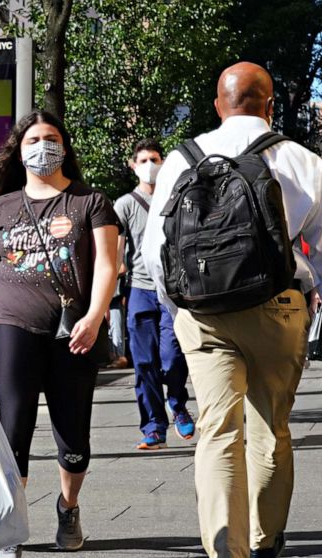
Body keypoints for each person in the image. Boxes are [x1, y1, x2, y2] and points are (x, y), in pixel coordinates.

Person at [142, 62, 322, 558]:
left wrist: (179, 309)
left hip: (203, 314)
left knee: (217, 431)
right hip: (277, 309)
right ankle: (265, 541)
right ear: (269, 105)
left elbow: (157, 252)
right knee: (270, 428)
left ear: (218, 105)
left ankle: (227, 549)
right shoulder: (302, 161)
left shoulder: (181, 160)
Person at [0, 110, 119, 557]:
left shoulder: (90, 202)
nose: (42, 146)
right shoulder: (0, 208)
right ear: (19, 150)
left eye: (50, 138)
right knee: (13, 426)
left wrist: (95, 317)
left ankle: (68, 505)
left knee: (73, 435)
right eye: (32, 139)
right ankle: (11, 525)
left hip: (73, 330)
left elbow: (108, 266)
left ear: (65, 146)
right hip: (10, 322)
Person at [114, 139, 194, 450]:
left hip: (172, 291)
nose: (150, 165)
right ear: (133, 165)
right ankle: (153, 426)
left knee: (173, 357)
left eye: (155, 158)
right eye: (144, 159)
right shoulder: (124, 204)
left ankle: (178, 404)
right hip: (140, 290)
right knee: (144, 362)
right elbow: (117, 251)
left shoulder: (174, 198)